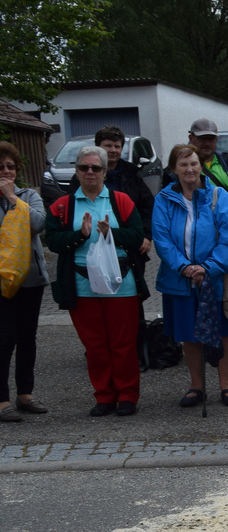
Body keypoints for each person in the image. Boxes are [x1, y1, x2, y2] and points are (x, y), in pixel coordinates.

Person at [44, 145, 144, 416]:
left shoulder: (121, 201)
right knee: (95, 345)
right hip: (81, 285)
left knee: (122, 344)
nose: (90, 172)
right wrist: (80, 234)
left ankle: (127, 396)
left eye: (96, 168)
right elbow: (52, 241)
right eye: (84, 167)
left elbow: (137, 236)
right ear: (76, 171)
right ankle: (104, 396)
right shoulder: (62, 206)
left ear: (105, 171)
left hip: (120, 283)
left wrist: (112, 232)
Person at [151, 144, 228, 408]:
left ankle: (226, 385)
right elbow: (162, 239)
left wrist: (208, 267)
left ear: (200, 166)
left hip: (215, 278)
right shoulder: (163, 200)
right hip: (179, 279)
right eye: (183, 165)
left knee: (223, 332)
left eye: (193, 163)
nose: (189, 169)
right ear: (174, 169)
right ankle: (197, 386)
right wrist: (184, 267)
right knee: (188, 334)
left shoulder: (219, 196)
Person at [0, 142, 50, 423]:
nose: (6, 171)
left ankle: (25, 394)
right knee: (4, 338)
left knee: (27, 338)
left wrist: (12, 199)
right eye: (1, 167)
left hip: (31, 279)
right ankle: (2, 399)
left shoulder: (28, 195)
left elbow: (38, 224)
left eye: (11, 166)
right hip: (2, 280)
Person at [170, 118, 228, 254]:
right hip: (192, 240)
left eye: (211, 139)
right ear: (191, 138)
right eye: (203, 139)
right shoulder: (181, 168)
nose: (207, 143)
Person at [96, 126, 155, 307]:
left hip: (130, 247)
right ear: (98, 147)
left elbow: (147, 207)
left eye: (117, 146)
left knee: (131, 300)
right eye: (108, 145)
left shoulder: (132, 174)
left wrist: (146, 235)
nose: (113, 150)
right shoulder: (86, 174)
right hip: (97, 246)